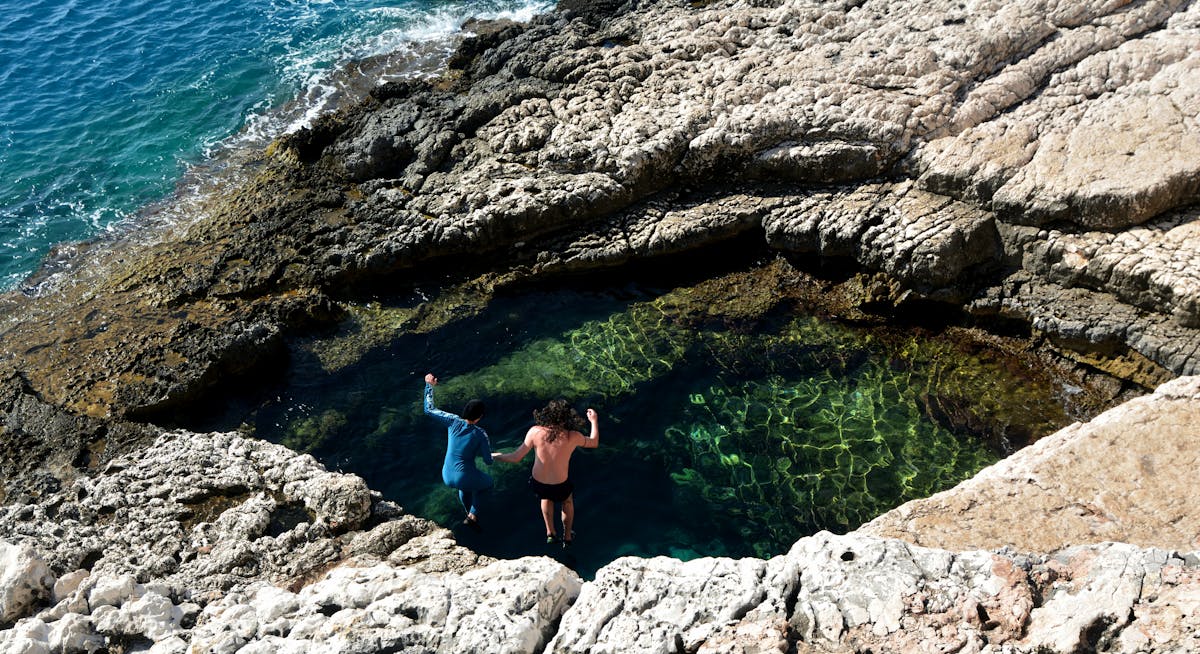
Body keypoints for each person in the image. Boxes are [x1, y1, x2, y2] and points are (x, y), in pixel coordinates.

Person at [493, 400, 599, 547]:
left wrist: (495, 456)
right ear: (566, 418)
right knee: (567, 501)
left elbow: (515, 457)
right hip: (560, 485)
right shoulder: (572, 436)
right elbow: (594, 442)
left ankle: (550, 532)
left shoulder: (535, 432)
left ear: (547, 414)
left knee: (545, 497)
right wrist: (594, 421)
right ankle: (567, 537)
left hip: (538, 484)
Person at [422, 373, 494, 529]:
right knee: (488, 484)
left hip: (446, 474)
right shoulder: (481, 434)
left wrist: (429, 385)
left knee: (465, 486)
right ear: (480, 417)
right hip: (463, 476)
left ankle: (468, 513)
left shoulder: (452, 420)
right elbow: (488, 461)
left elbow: (429, 410)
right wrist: (492, 456)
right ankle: (473, 516)